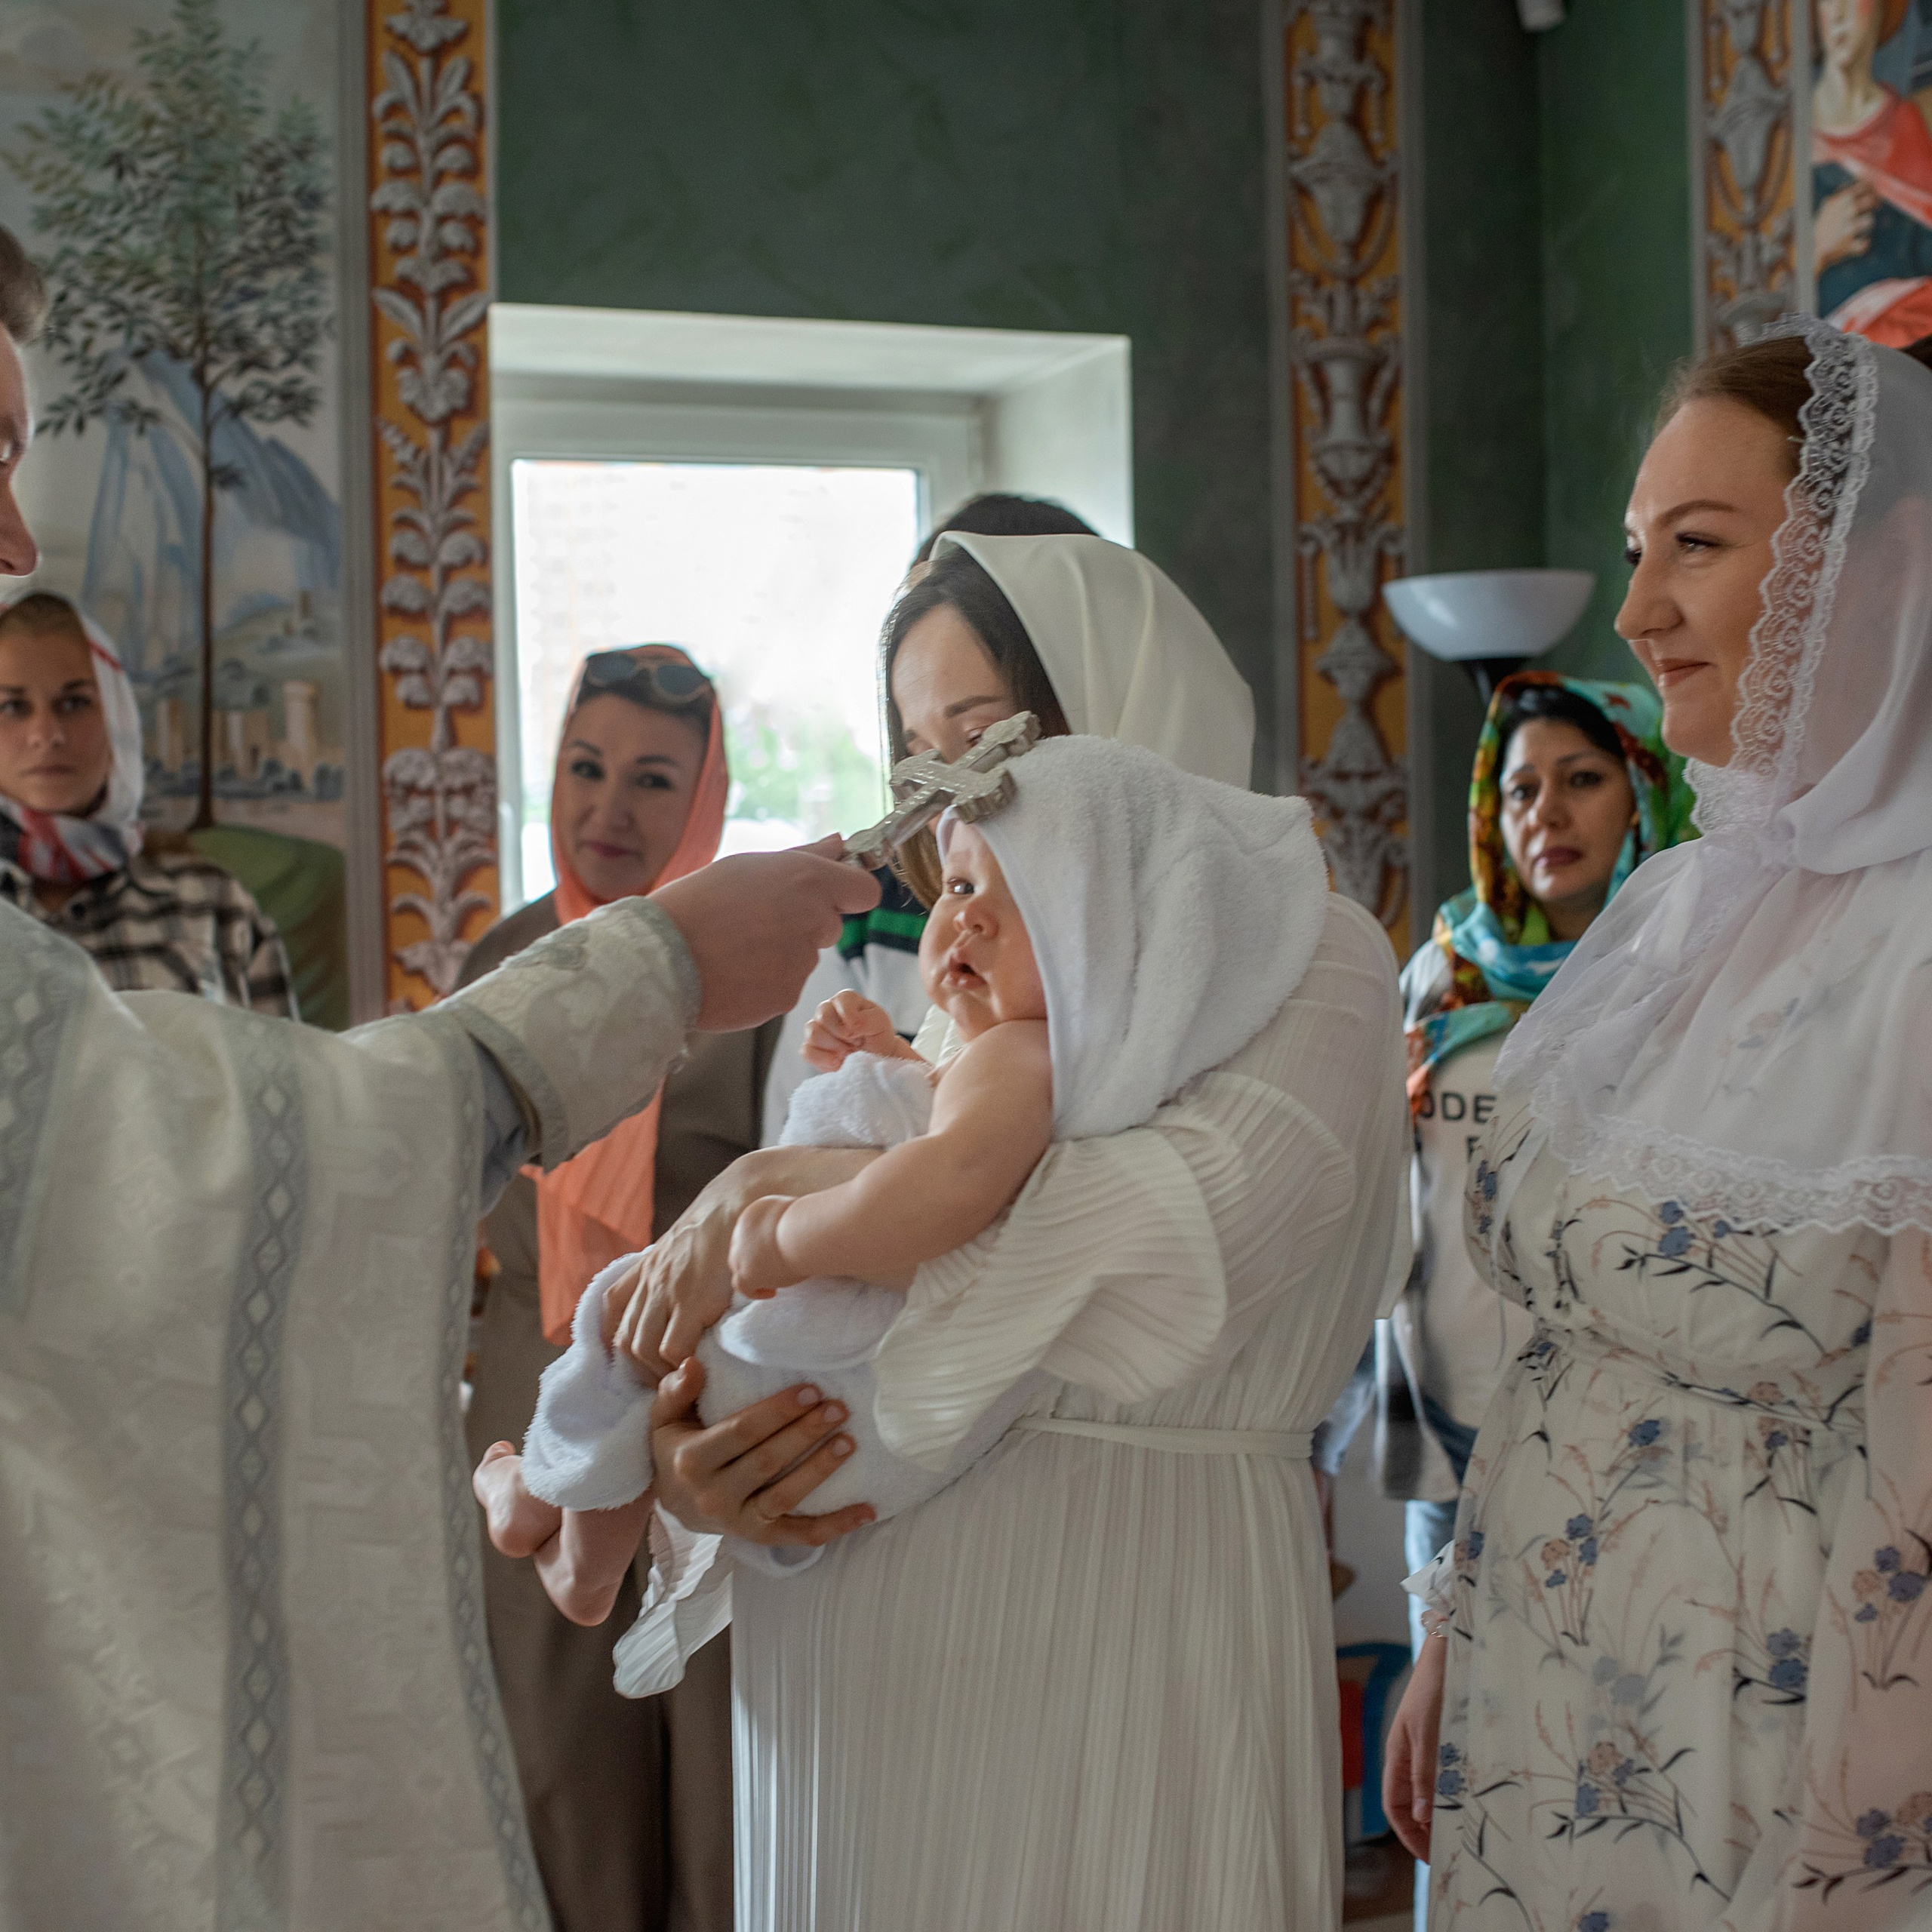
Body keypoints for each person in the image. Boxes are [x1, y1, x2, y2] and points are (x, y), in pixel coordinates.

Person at [0, 223, 884, 1930]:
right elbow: (155, 1166)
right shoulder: (513, 956)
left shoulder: (816, 1004)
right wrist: (644, 974)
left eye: (652, 775)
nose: (24, 534)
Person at [567, 530, 1411, 1932]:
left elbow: (1150, 1242)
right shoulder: (951, 997)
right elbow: (783, 1296)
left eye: (989, 733)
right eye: (920, 752)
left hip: (1133, 1611)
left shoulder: (1314, 958)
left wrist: (767, 1216)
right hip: (846, 1644)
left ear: (1123, 705)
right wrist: (689, 1459)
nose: (959, 792)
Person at [1383, 320, 1932, 1930]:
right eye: (1636, 550)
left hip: (1758, 1750)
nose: (1633, 610)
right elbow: (1540, 1344)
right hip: (1533, 1707)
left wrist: (1859, 1848)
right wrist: (1449, 1629)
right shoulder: (1671, 909)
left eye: (1695, 545)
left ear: (1883, 564)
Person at [480, 740, 1330, 1672]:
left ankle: (570, 1540)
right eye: (959, 889)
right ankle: (567, 1523)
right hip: (822, 1404)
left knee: (620, 1317)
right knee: (638, 1338)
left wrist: (781, 1232)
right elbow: (938, 1132)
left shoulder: (1023, 1053)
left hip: (824, 1359)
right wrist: (888, 1057)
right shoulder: (1003, 1054)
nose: (968, 925)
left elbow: (953, 1182)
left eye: (1025, 907)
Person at [457, 645, 768, 1932]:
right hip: (538, 1418)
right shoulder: (508, 958)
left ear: (706, 797)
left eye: (654, 779)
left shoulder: (753, 976)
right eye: (587, 769)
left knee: (717, 1784)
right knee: (555, 1777)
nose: (610, 811)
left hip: (705, 1425)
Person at [1380, 672, 1694, 1627]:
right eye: (1519, 789)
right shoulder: (1442, 973)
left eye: (1583, 778)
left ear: (1643, 786)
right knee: (1441, 1752)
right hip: (1451, 1416)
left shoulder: (1686, 971)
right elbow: (1396, 1192)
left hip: (1623, 1421)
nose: (1545, 813)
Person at [760, 491, 1100, 1144]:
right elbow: (804, 1123)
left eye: (979, 739)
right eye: (921, 753)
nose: (946, 800)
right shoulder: (871, 909)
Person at [0, 589, 296, 1014]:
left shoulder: (212, 904)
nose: (46, 733)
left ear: (118, 719)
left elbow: (290, 1075)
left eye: (74, 703)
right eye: (13, 706)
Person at [1812, 0, 1932, 346]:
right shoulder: (1788, 139)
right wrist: (1817, 245)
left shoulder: (1909, 124)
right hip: (1838, 359)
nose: (1837, 14)